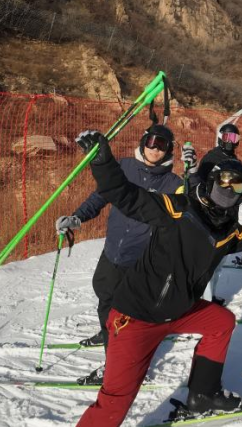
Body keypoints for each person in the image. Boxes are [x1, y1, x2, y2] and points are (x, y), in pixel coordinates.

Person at [66, 130, 242, 427]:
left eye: (237, 184)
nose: (229, 189)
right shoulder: (178, 210)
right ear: (210, 182)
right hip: (136, 318)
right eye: (223, 181)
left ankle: (202, 395)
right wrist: (103, 163)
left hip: (178, 311)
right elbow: (124, 195)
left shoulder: (230, 231)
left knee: (221, 322)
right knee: (116, 399)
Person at [54, 124, 183, 385]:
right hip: (114, 249)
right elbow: (100, 196)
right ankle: (107, 332)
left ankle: (116, 364)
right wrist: (78, 217)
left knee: (124, 314)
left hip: (141, 258)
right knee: (103, 291)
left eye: (163, 145)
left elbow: (187, 209)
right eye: (152, 141)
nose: (155, 149)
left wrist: (194, 177)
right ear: (143, 141)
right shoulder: (124, 167)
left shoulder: (173, 183)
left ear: (169, 150)